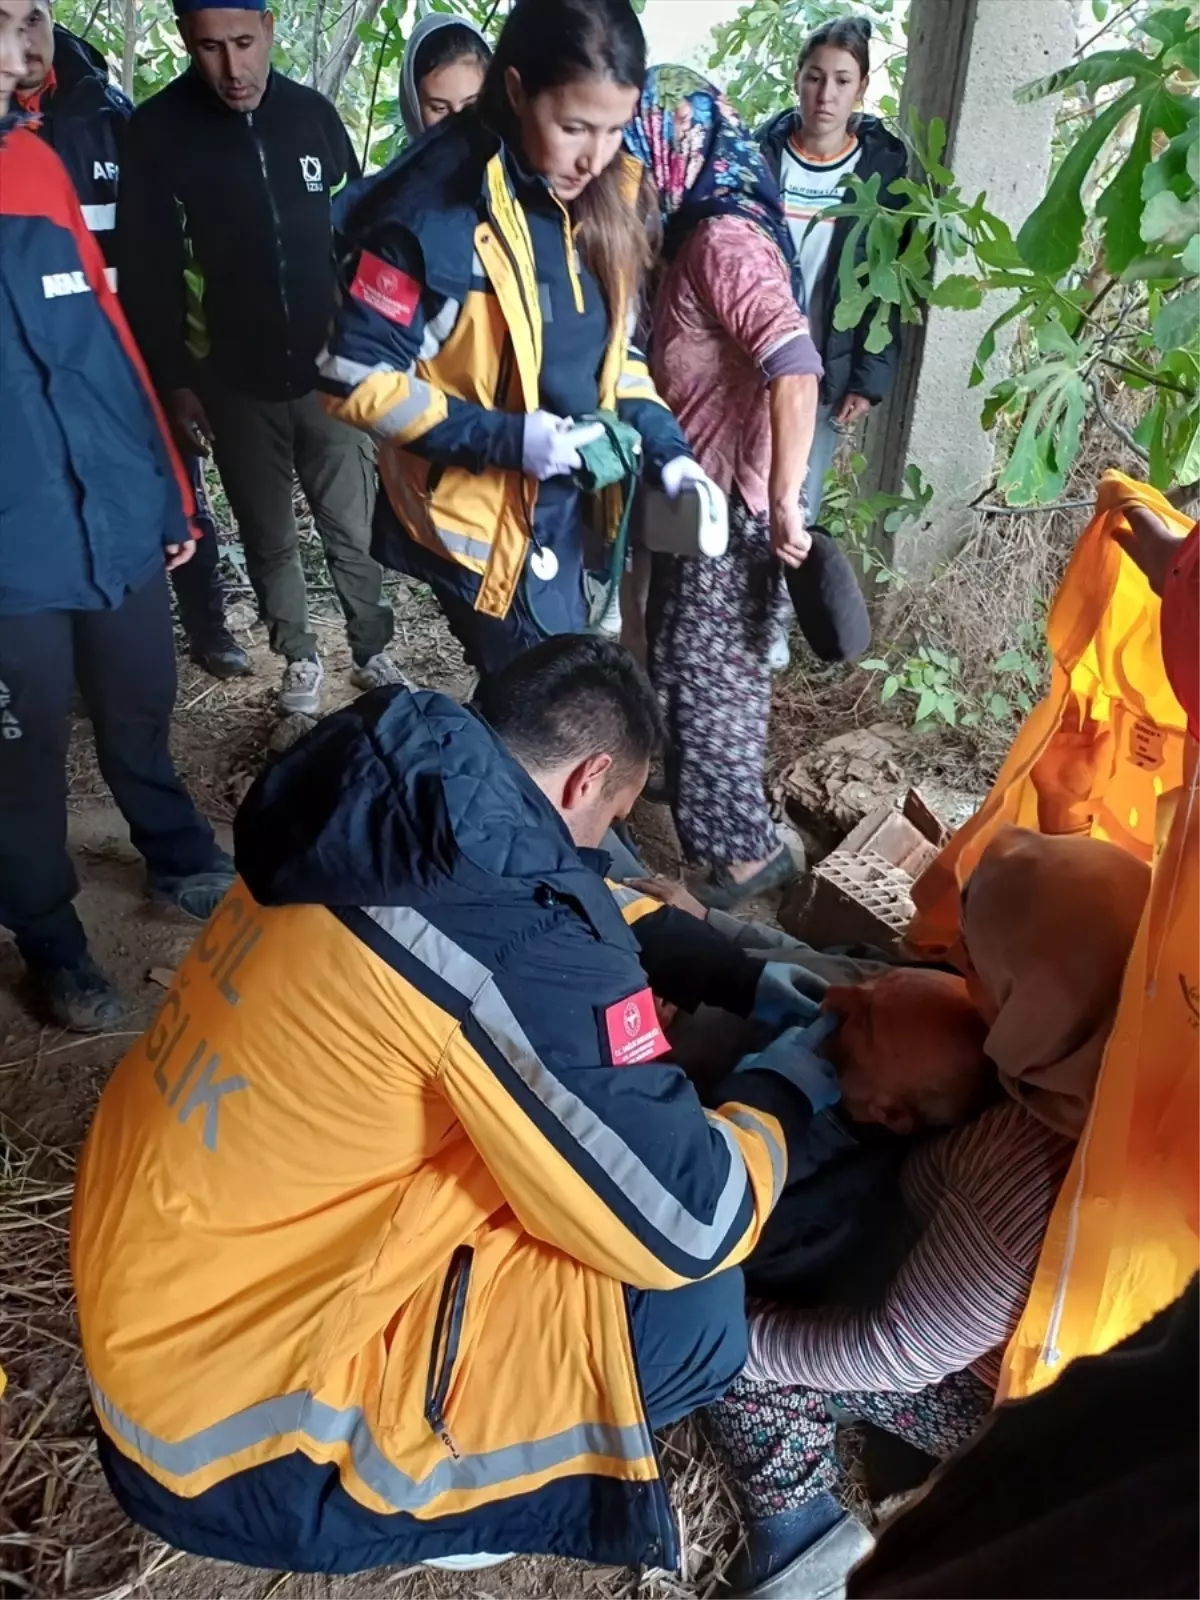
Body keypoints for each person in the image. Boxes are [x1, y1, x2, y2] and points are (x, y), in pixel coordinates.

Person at [70, 633, 823, 1575]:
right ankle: (439, 1502)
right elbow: (689, 1221)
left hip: (158, 1292)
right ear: (591, 779)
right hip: (236, 1442)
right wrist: (786, 1085)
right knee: (694, 1312)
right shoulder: (505, 935)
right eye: (616, 816)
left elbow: (561, 889)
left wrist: (731, 969)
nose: (602, 849)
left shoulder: (377, 808)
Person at [704, 825, 1151, 1600]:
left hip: (1013, 1410)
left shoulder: (1033, 1170)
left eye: (975, 968)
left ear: (1032, 999)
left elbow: (890, 1351)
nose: (956, 968)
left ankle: (802, 1543)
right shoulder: (1125, 1037)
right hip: (995, 1308)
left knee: (725, 1344)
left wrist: (726, 1336)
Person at [319, 0, 706, 677]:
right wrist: (509, 441)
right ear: (517, 88)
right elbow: (351, 374)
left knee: (537, 703)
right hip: (486, 517)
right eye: (574, 127)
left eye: (615, 128)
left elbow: (614, 357)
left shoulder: (604, 192)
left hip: (565, 503)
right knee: (550, 706)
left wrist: (670, 453)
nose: (594, 156)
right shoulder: (434, 211)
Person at [0, 4, 235, 1033]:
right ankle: (51, 939)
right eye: (2, 27)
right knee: (25, 745)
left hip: (117, 503)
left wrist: (168, 488)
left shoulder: (37, 166)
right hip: (13, 543)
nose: (25, 54)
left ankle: (176, 851)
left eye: (29, 22)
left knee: (141, 694)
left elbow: (110, 336)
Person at [117, 0, 404, 717]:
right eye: (210, 47)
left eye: (244, 43)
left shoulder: (312, 118)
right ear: (186, 39)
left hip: (330, 374)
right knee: (267, 533)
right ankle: (299, 660)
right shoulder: (157, 133)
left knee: (354, 525)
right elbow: (148, 275)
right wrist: (178, 383)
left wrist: (373, 344)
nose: (232, 67)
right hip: (232, 381)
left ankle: (373, 650)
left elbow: (358, 237)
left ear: (270, 28)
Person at [625, 68, 822, 908]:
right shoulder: (691, 231)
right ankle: (703, 811)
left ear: (679, 145)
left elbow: (795, 364)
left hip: (735, 510)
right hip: (695, 500)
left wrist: (782, 500)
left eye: (636, 154)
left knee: (716, 685)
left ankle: (744, 859)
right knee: (681, 663)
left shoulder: (723, 243)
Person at [14, 1, 249, 681]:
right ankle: (83, 654)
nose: (22, 44)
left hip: (127, 351)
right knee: (57, 496)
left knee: (177, 486)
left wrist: (171, 361)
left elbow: (157, 252)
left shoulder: (107, 114)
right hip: (38, 361)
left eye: (32, 20)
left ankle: (208, 626)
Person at [757, 17, 907, 525]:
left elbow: (891, 283)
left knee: (796, 505)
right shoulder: (761, 158)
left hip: (823, 368)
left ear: (861, 88)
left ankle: (779, 604)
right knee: (737, 498)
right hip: (748, 363)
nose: (826, 94)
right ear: (798, 78)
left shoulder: (882, 173)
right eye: (816, 77)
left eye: (843, 81)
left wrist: (868, 376)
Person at [399, 11, 491, 140]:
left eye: (472, 104)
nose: (459, 124)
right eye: (440, 108)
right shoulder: (410, 161)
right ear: (413, 106)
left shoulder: (518, 156)